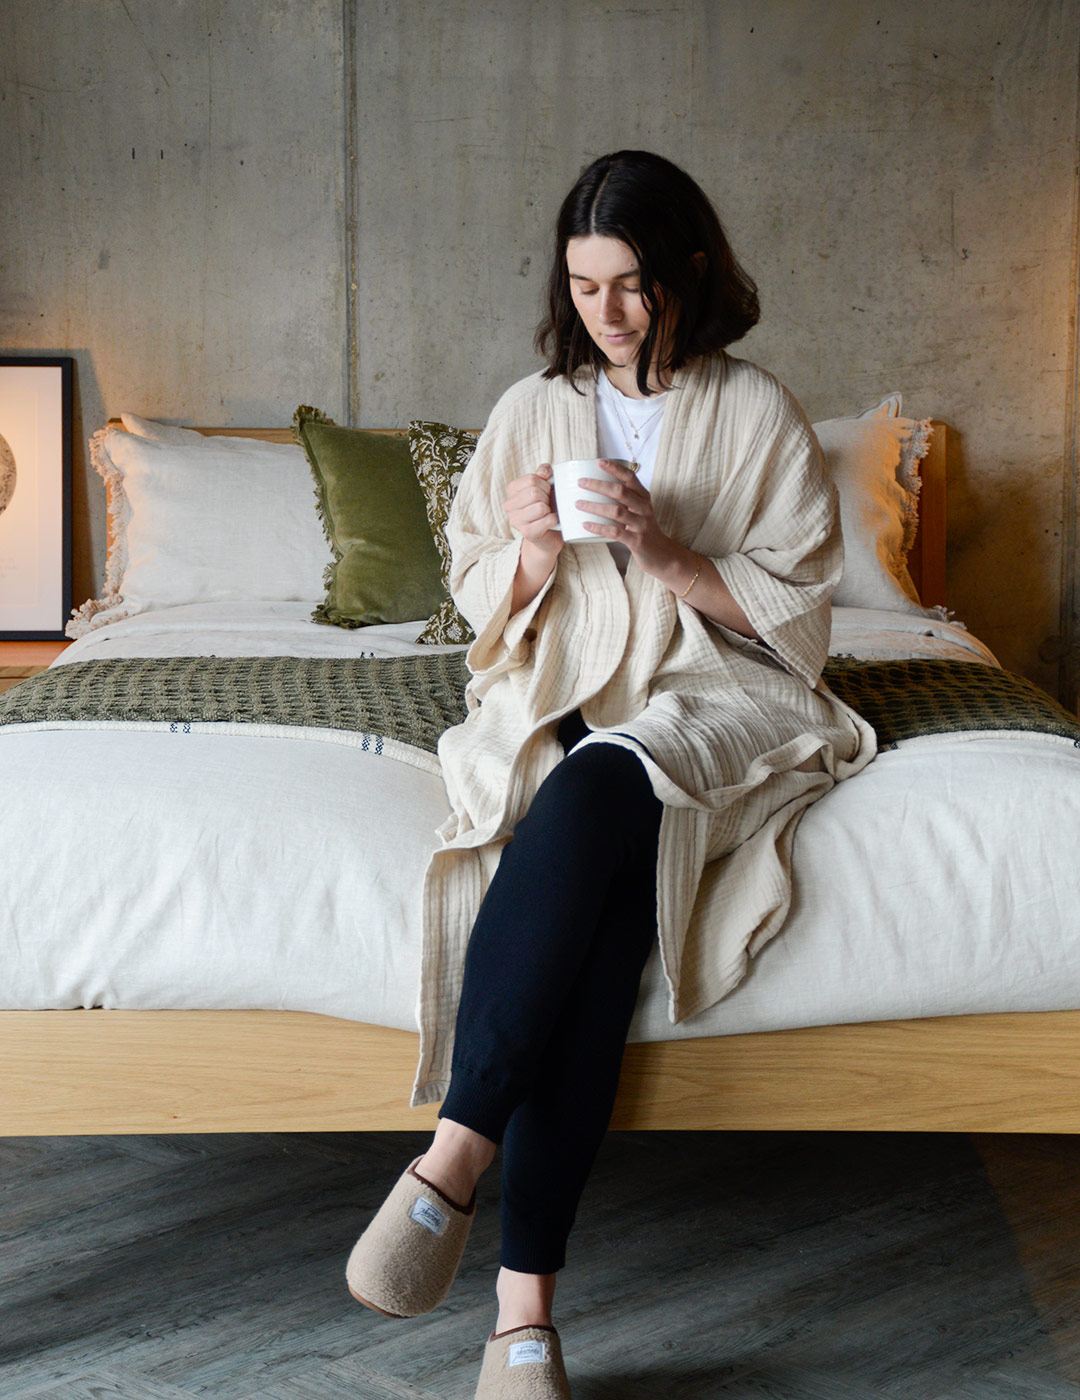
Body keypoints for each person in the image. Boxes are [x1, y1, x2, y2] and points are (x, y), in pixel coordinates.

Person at [345, 150, 875, 1399]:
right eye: (585, 287)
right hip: (565, 683)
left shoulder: (761, 411)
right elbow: (477, 583)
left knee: (593, 790)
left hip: (711, 689)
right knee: (595, 927)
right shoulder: (532, 407)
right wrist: (533, 552)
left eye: (632, 283)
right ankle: (521, 1313)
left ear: (690, 268)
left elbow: (800, 619)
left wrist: (667, 552)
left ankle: (451, 1158)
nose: (610, 312)